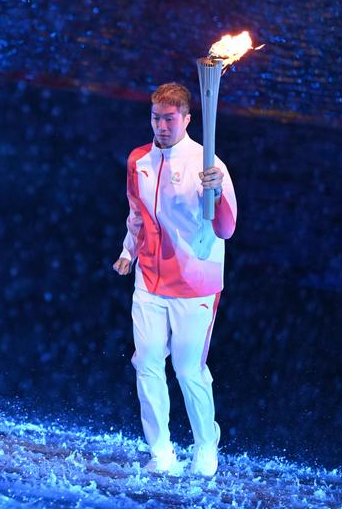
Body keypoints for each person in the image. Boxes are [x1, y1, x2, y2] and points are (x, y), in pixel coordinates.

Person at [112, 83, 237, 476]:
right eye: (156, 118)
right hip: (149, 279)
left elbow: (227, 228)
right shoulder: (139, 161)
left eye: (169, 118)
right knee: (147, 362)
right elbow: (137, 216)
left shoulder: (208, 163)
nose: (161, 126)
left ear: (186, 118)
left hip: (196, 282)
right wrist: (127, 251)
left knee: (187, 369)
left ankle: (205, 446)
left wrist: (215, 195)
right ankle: (161, 451)